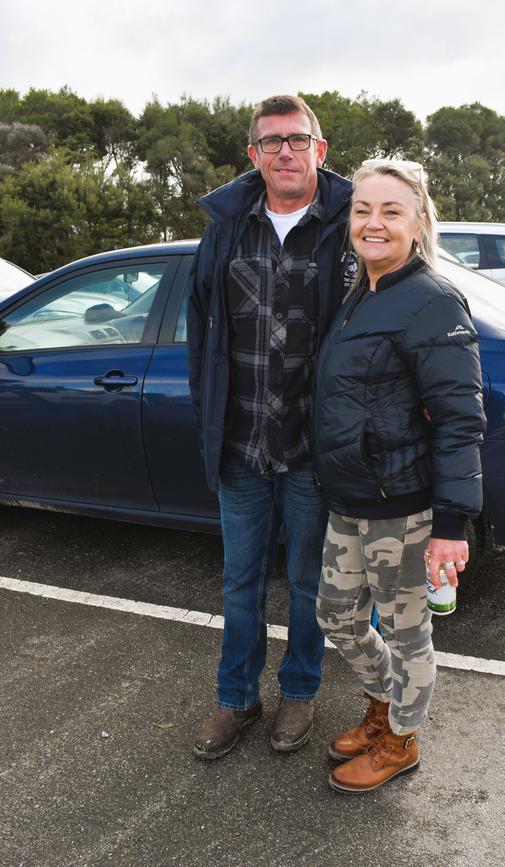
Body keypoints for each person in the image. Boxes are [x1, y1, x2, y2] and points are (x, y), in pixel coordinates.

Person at [187, 95, 353, 759]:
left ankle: (299, 692)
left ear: (321, 149)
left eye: (297, 139)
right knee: (240, 581)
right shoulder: (227, 227)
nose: (285, 150)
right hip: (241, 445)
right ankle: (236, 699)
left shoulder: (349, 225)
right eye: (271, 141)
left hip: (315, 449)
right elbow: (200, 326)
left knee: (310, 582)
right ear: (253, 156)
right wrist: (208, 408)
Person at [313, 159, 486, 793]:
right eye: (363, 211)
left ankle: (401, 742)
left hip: (405, 507)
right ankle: (384, 704)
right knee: (336, 616)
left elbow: (460, 421)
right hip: (350, 500)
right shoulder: (361, 292)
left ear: (418, 223)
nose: (373, 223)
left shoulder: (432, 301)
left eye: (391, 211)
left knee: (409, 634)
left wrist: (451, 523)